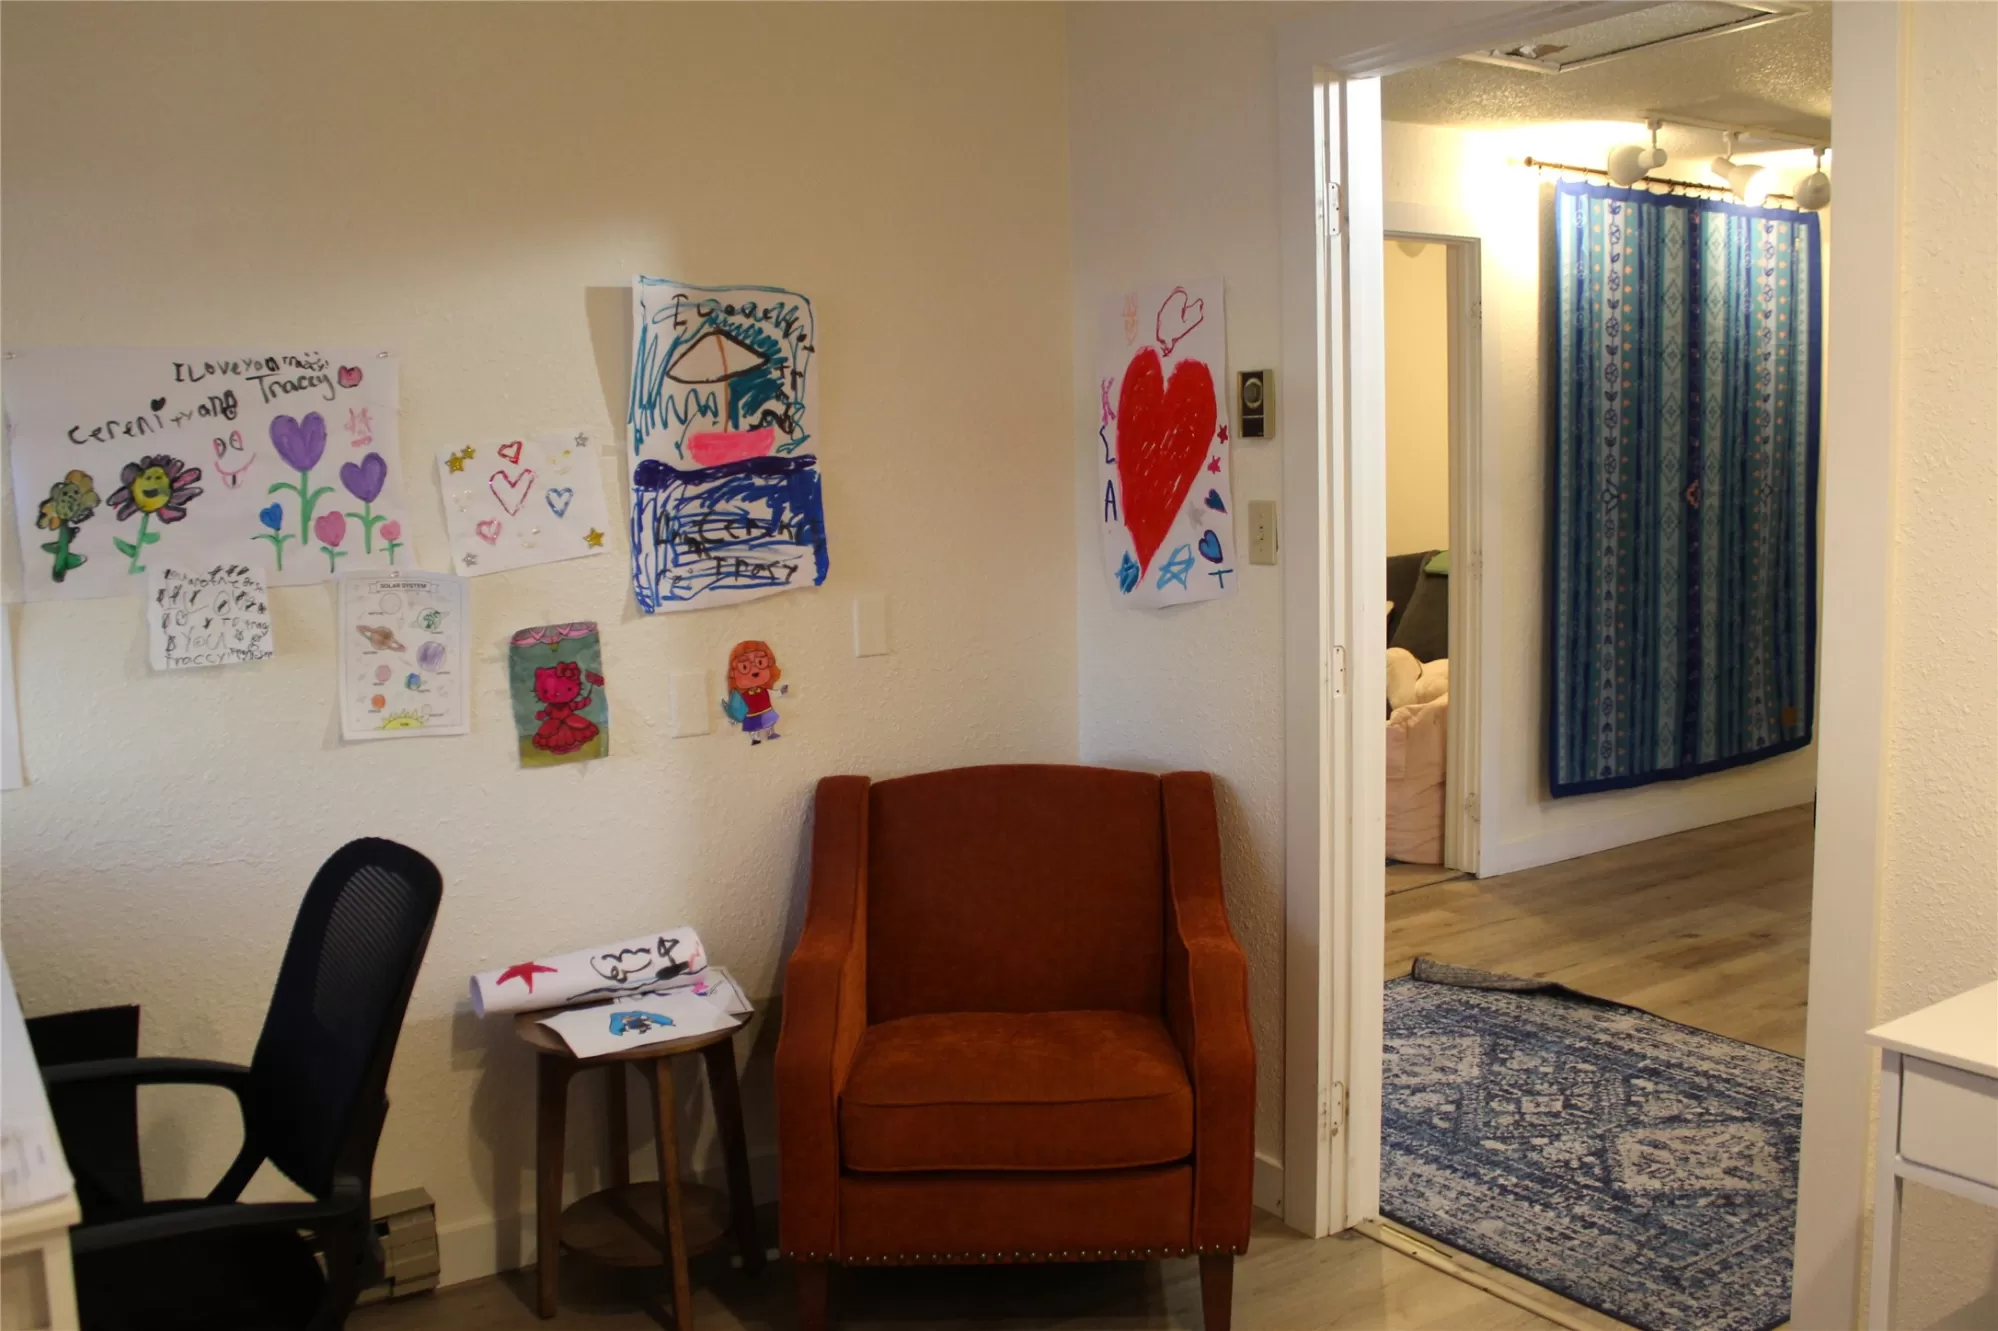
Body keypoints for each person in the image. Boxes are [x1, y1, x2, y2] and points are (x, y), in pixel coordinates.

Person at [722, 639, 784, 744]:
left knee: (769, 723)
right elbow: (738, 707)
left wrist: (781, 692)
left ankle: (770, 733)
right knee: (753, 727)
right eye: (744, 667)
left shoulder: (764, 690)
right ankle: (756, 738)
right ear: (733, 674)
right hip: (752, 715)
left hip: (766, 711)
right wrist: (734, 718)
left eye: (760, 662)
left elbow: (773, 693)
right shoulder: (742, 696)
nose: (754, 671)